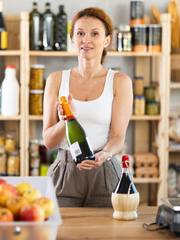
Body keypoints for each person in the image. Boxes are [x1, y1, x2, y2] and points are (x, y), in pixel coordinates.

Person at [43, 7, 133, 207]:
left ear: (107, 40)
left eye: (95, 33)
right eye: (80, 33)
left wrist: (104, 155)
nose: (86, 40)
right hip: (64, 173)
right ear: (72, 39)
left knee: (107, 235)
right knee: (61, 234)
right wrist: (68, 120)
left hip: (104, 170)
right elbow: (49, 141)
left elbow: (118, 136)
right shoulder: (56, 80)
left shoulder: (120, 81)